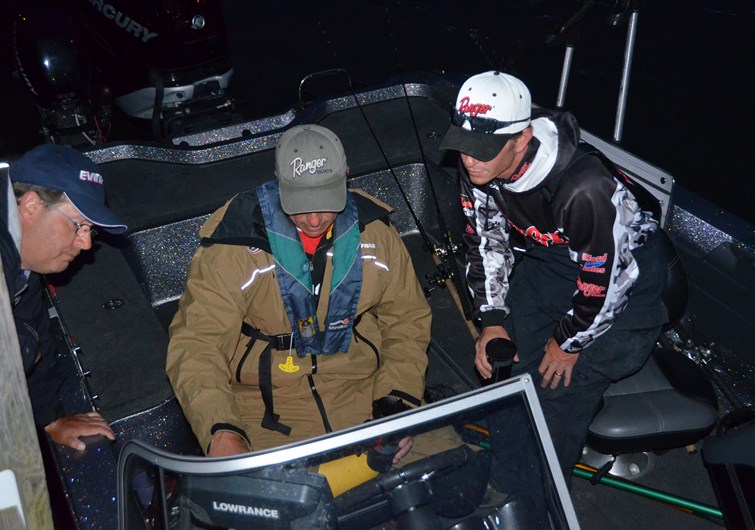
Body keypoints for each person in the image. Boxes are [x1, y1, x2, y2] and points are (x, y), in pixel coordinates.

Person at [166, 124, 487, 514]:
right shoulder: (232, 248)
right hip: (268, 413)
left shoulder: (375, 234)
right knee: (268, 514)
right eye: (301, 203)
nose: (315, 219)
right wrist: (222, 430)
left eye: (326, 200)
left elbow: (407, 320)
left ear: (346, 178)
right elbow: (195, 347)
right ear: (278, 183)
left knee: (459, 484)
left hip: (366, 394)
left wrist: (397, 399)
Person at [439, 71, 669, 487]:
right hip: (557, 257)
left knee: (559, 389)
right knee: (504, 362)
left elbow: (607, 280)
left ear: (522, 139)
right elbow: (486, 242)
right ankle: (505, 478)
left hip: (628, 278)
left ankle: (543, 494)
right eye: (464, 146)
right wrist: (491, 320)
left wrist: (567, 342)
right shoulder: (479, 166)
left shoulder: (584, 187)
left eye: (482, 150)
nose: (469, 160)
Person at [1, 143, 127, 451]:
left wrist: (51, 417)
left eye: (90, 231)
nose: (86, 244)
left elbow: (34, 326)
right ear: (31, 206)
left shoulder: (24, 262)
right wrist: (25, 346)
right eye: (78, 226)